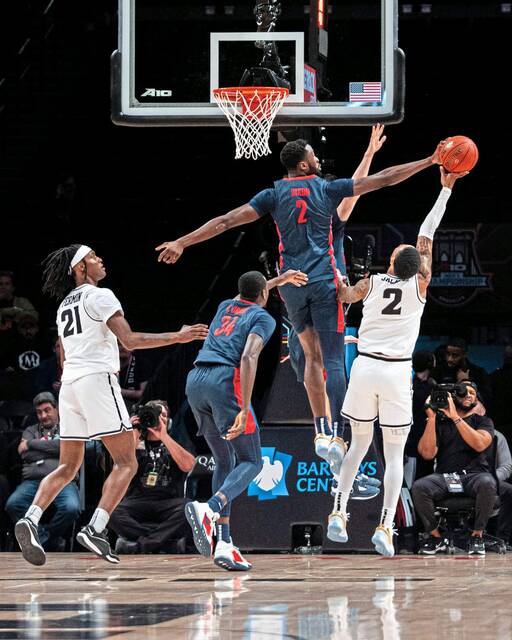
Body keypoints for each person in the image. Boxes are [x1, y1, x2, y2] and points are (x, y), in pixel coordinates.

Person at [156, 135, 444, 470]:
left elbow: (225, 221)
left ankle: (321, 430)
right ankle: (337, 434)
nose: (318, 160)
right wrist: (428, 161)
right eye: (314, 157)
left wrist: (182, 241)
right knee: (334, 362)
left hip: (291, 286)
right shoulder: (326, 190)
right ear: (305, 163)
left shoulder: (273, 194)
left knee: (311, 355)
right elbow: (380, 181)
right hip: (323, 283)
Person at [15, 244, 209, 566]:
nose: (100, 259)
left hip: (70, 386)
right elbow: (130, 341)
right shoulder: (100, 295)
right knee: (127, 462)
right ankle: (96, 527)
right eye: (93, 257)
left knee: (67, 466)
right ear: (79, 269)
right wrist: (179, 336)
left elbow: (62, 353)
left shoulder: (64, 306)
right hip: (96, 381)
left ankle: (31, 518)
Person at [327, 167, 467, 557]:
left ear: (391, 262)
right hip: (395, 373)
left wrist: (336, 272)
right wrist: (445, 190)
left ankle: (338, 514)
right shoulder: (421, 286)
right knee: (392, 457)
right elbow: (428, 233)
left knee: (356, 447)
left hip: (365, 367)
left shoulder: (370, 283)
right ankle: (385, 527)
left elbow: (342, 295)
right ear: (416, 268)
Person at [185, 269, 307, 571]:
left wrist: (279, 280)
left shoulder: (224, 306)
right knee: (252, 460)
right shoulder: (265, 319)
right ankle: (209, 509)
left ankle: (224, 543)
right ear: (264, 295)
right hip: (225, 382)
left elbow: (252, 291)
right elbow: (249, 356)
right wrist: (243, 407)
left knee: (225, 462)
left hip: (196, 382)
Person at [413, 381, 496, 556]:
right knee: (420, 486)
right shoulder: (440, 423)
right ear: (453, 397)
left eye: (473, 393)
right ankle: (436, 537)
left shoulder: (482, 421)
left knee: (487, 482)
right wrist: (432, 418)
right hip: (445, 477)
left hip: (474, 476)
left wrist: (455, 418)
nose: (469, 395)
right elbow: (427, 454)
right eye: (464, 392)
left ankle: (477, 535)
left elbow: (480, 444)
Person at [109, 400, 195, 554]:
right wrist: (132, 433)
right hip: (136, 501)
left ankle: (142, 543)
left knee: (189, 508)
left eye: (163, 415)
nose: (159, 418)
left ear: (168, 421)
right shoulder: (135, 442)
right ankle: (161, 541)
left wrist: (163, 436)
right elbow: (118, 469)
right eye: (154, 413)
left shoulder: (175, 440)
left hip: (167, 502)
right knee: (110, 509)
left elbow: (188, 465)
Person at [6, 392, 81, 551]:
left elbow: (67, 448)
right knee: (13, 504)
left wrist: (32, 444)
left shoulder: (69, 429)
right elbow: (25, 453)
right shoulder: (30, 429)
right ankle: (47, 540)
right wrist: (57, 449)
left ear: (57, 409)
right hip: (33, 481)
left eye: (47, 410)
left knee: (71, 508)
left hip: (63, 481)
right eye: (39, 412)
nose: (43, 415)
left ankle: (45, 538)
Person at [432, 337, 492, 406]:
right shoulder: (438, 371)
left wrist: (466, 383)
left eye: (455, 356)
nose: (449, 359)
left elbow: (485, 400)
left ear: (464, 354)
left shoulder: (478, 373)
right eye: (448, 354)